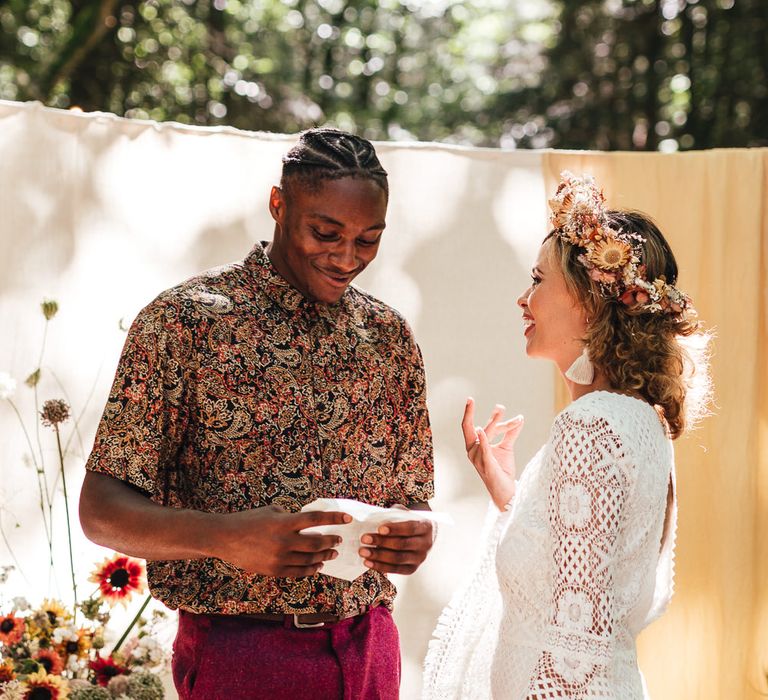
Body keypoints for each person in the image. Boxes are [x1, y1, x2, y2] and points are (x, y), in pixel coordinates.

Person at [79, 128, 436, 700]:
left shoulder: (390, 338)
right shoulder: (185, 323)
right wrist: (225, 537)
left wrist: (413, 534)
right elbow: (100, 511)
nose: (347, 258)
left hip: (371, 648)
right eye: (326, 233)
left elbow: (412, 498)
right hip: (240, 656)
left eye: (369, 240)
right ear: (278, 205)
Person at [422, 172, 711, 699]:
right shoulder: (637, 421)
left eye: (537, 279)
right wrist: (508, 491)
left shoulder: (592, 426)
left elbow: (573, 651)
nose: (522, 298)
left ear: (588, 302)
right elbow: (568, 582)